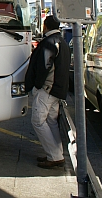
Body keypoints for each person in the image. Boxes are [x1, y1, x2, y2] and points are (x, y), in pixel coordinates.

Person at [25, 15, 71, 169]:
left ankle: (54, 156)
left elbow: (44, 66)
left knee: (38, 121)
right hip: (57, 90)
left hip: (47, 89)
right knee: (51, 122)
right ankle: (56, 154)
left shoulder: (49, 43)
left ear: (45, 26)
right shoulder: (62, 42)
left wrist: (37, 84)